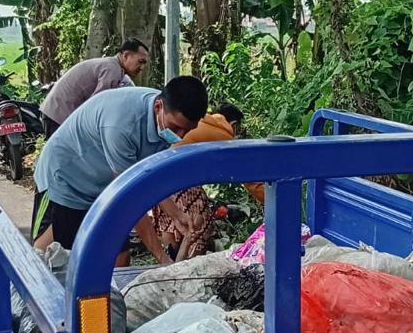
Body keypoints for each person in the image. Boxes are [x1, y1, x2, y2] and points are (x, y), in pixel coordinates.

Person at [32, 75, 208, 262]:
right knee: (56, 258)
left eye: (187, 130)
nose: (180, 136)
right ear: (158, 107)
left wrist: (177, 215)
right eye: (176, 127)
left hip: (103, 186)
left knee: (119, 257)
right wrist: (161, 258)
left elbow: (149, 178)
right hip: (66, 179)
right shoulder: (122, 126)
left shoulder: (164, 118)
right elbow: (131, 199)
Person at [152, 104, 266, 260]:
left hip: (159, 181)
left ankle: (170, 262)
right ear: (234, 125)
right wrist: (270, 199)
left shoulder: (203, 124)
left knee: (171, 224)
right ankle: (191, 264)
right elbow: (247, 176)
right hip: (181, 182)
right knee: (201, 223)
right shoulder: (223, 134)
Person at [39, 38, 150, 138]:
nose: (142, 67)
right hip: (59, 115)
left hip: (55, 111)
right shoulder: (113, 71)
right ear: (125, 56)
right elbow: (98, 106)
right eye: (140, 62)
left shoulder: (112, 66)